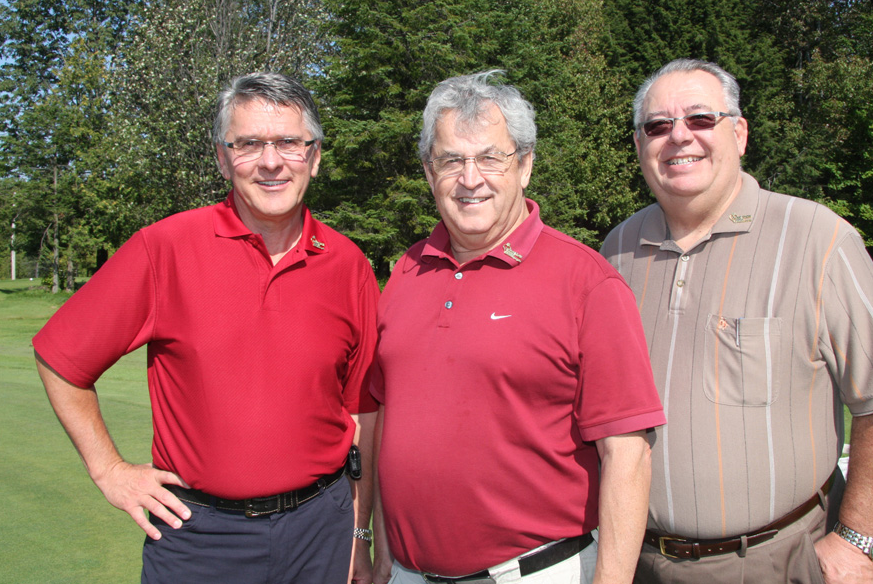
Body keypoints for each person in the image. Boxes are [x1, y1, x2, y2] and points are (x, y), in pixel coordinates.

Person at [33, 73, 379, 584]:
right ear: (222, 158)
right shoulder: (164, 247)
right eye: (248, 144)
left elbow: (361, 416)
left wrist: (359, 534)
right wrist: (109, 470)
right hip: (198, 536)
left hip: (320, 532)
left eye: (289, 142)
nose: (270, 161)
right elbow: (62, 359)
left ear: (315, 155)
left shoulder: (348, 263)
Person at [601, 59, 873, 584]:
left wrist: (860, 542)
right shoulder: (616, 251)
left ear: (739, 133)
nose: (679, 137)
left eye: (701, 119)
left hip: (776, 562)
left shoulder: (818, 238)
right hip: (640, 561)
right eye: (657, 126)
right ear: (639, 146)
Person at [370, 70, 666, 584]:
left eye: (490, 157)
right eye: (451, 160)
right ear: (427, 171)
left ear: (525, 165)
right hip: (407, 573)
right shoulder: (405, 273)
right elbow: (382, 421)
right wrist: (374, 551)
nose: (470, 178)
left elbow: (627, 453)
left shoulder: (586, 282)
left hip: (536, 572)